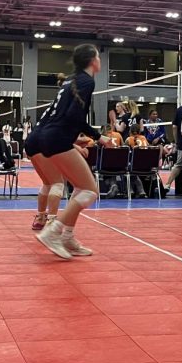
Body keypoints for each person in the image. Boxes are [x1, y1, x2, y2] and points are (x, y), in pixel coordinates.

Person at [33, 45, 116, 259]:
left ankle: (67, 237)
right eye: (98, 56)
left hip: (47, 136)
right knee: (90, 191)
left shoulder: (71, 79)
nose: (100, 60)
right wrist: (99, 137)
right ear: (92, 60)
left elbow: (66, 115)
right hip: (57, 137)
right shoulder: (87, 81)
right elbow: (74, 117)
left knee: (80, 188)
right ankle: (53, 231)